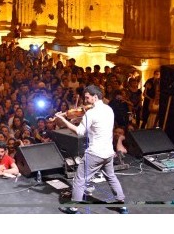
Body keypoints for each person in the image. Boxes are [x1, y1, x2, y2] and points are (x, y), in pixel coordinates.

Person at [52, 84, 127, 214]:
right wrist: (80, 118)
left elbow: (80, 132)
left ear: (95, 97)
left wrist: (63, 119)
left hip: (95, 153)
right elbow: (97, 123)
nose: (85, 101)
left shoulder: (91, 113)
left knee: (79, 179)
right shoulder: (109, 109)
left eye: (87, 98)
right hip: (108, 152)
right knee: (111, 177)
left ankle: (73, 207)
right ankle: (121, 204)